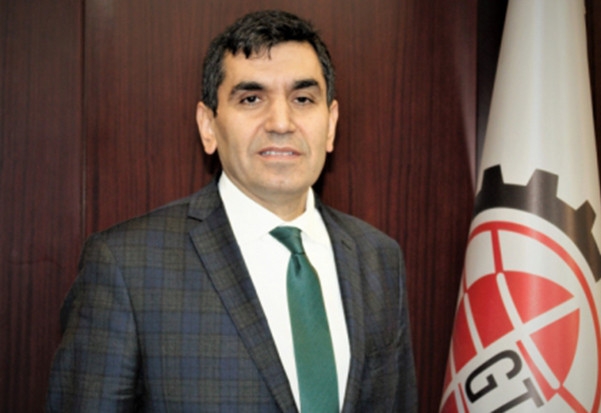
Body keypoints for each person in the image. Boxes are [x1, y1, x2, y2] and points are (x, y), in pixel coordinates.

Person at [46, 10, 418, 412]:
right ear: (208, 125)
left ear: (330, 124)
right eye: (251, 99)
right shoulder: (126, 266)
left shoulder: (378, 257)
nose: (281, 123)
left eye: (303, 99)